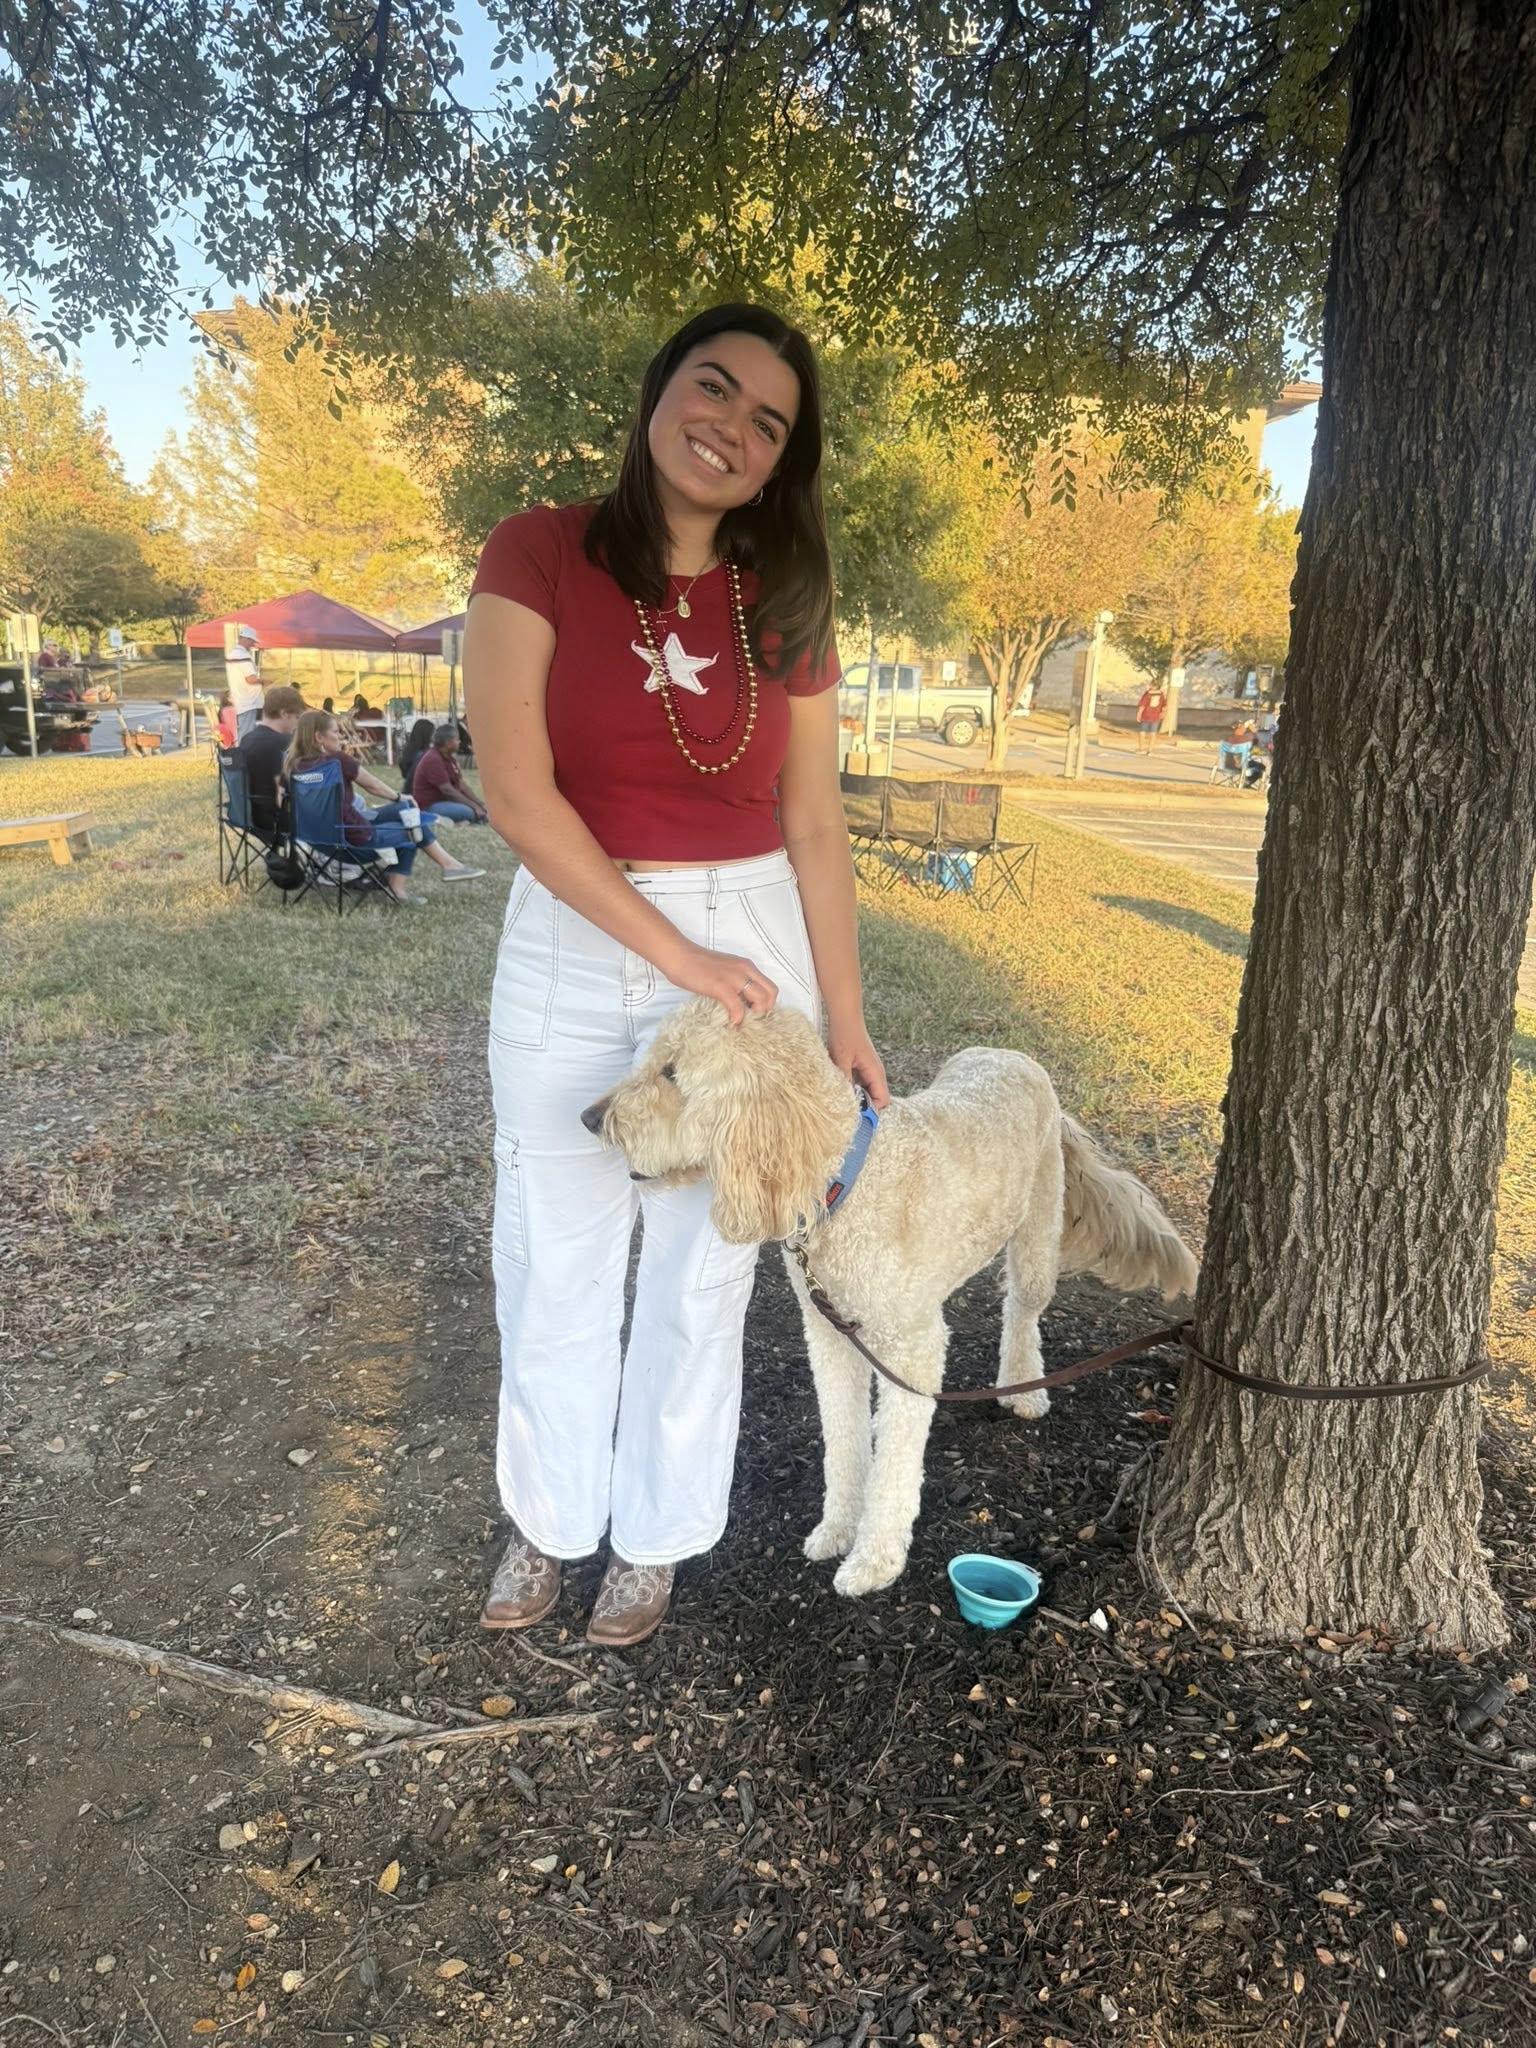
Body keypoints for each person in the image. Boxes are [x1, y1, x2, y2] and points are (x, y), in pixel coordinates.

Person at [465, 301, 890, 1649]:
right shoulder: (537, 551)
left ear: (783, 460)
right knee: (555, 1244)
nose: (734, 429)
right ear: (658, 393)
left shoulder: (792, 598)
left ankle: (651, 1538)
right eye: (715, 389)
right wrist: (676, 957)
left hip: (755, 947)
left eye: (769, 423)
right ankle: (549, 1516)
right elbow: (517, 794)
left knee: (706, 1263)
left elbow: (816, 823)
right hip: (581, 927)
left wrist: (852, 1024)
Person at [282, 709, 485, 903]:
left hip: (319, 841)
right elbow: (374, 786)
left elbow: (284, 800)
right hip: (353, 843)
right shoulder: (337, 761)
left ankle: (446, 865)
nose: (341, 736)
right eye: (336, 732)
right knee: (413, 827)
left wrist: (401, 801)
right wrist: (398, 796)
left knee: (405, 811)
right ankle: (412, 882)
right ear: (319, 737)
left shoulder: (292, 765)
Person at [236, 684, 306, 838]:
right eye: (297, 717)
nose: (297, 724)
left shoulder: (247, 739)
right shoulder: (283, 743)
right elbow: (282, 791)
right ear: (284, 714)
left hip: (250, 817)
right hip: (276, 820)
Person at [411, 723, 488, 824]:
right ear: (448, 742)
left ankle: (459, 820)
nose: (459, 742)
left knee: (477, 810)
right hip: (429, 806)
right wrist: (474, 807)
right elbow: (448, 790)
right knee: (470, 812)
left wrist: (480, 804)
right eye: (457, 739)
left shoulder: (449, 758)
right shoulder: (433, 759)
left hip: (445, 802)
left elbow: (461, 785)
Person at [224, 624, 264, 740]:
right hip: (249, 700)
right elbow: (250, 679)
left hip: (242, 698)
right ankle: (244, 756)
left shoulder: (232, 655)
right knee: (247, 734)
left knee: (246, 731)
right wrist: (264, 681)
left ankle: (245, 754)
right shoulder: (243, 656)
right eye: (252, 641)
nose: (253, 645)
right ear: (246, 639)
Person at [396, 716, 437, 799]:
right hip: (421, 795)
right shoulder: (424, 756)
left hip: (408, 793)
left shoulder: (408, 752)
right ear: (427, 735)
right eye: (433, 733)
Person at [1135, 681, 1168, 753]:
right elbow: (1164, 705)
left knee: (1142, 732)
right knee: (1153, 733)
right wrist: (1163, 713)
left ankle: (1141, 749)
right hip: (1156, 716)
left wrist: (1139, 714)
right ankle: (1150, 750)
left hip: (1146, 715)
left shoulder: (1148, 693)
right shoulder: (1161, 694)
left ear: (1152, 686)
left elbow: (1142, 705)